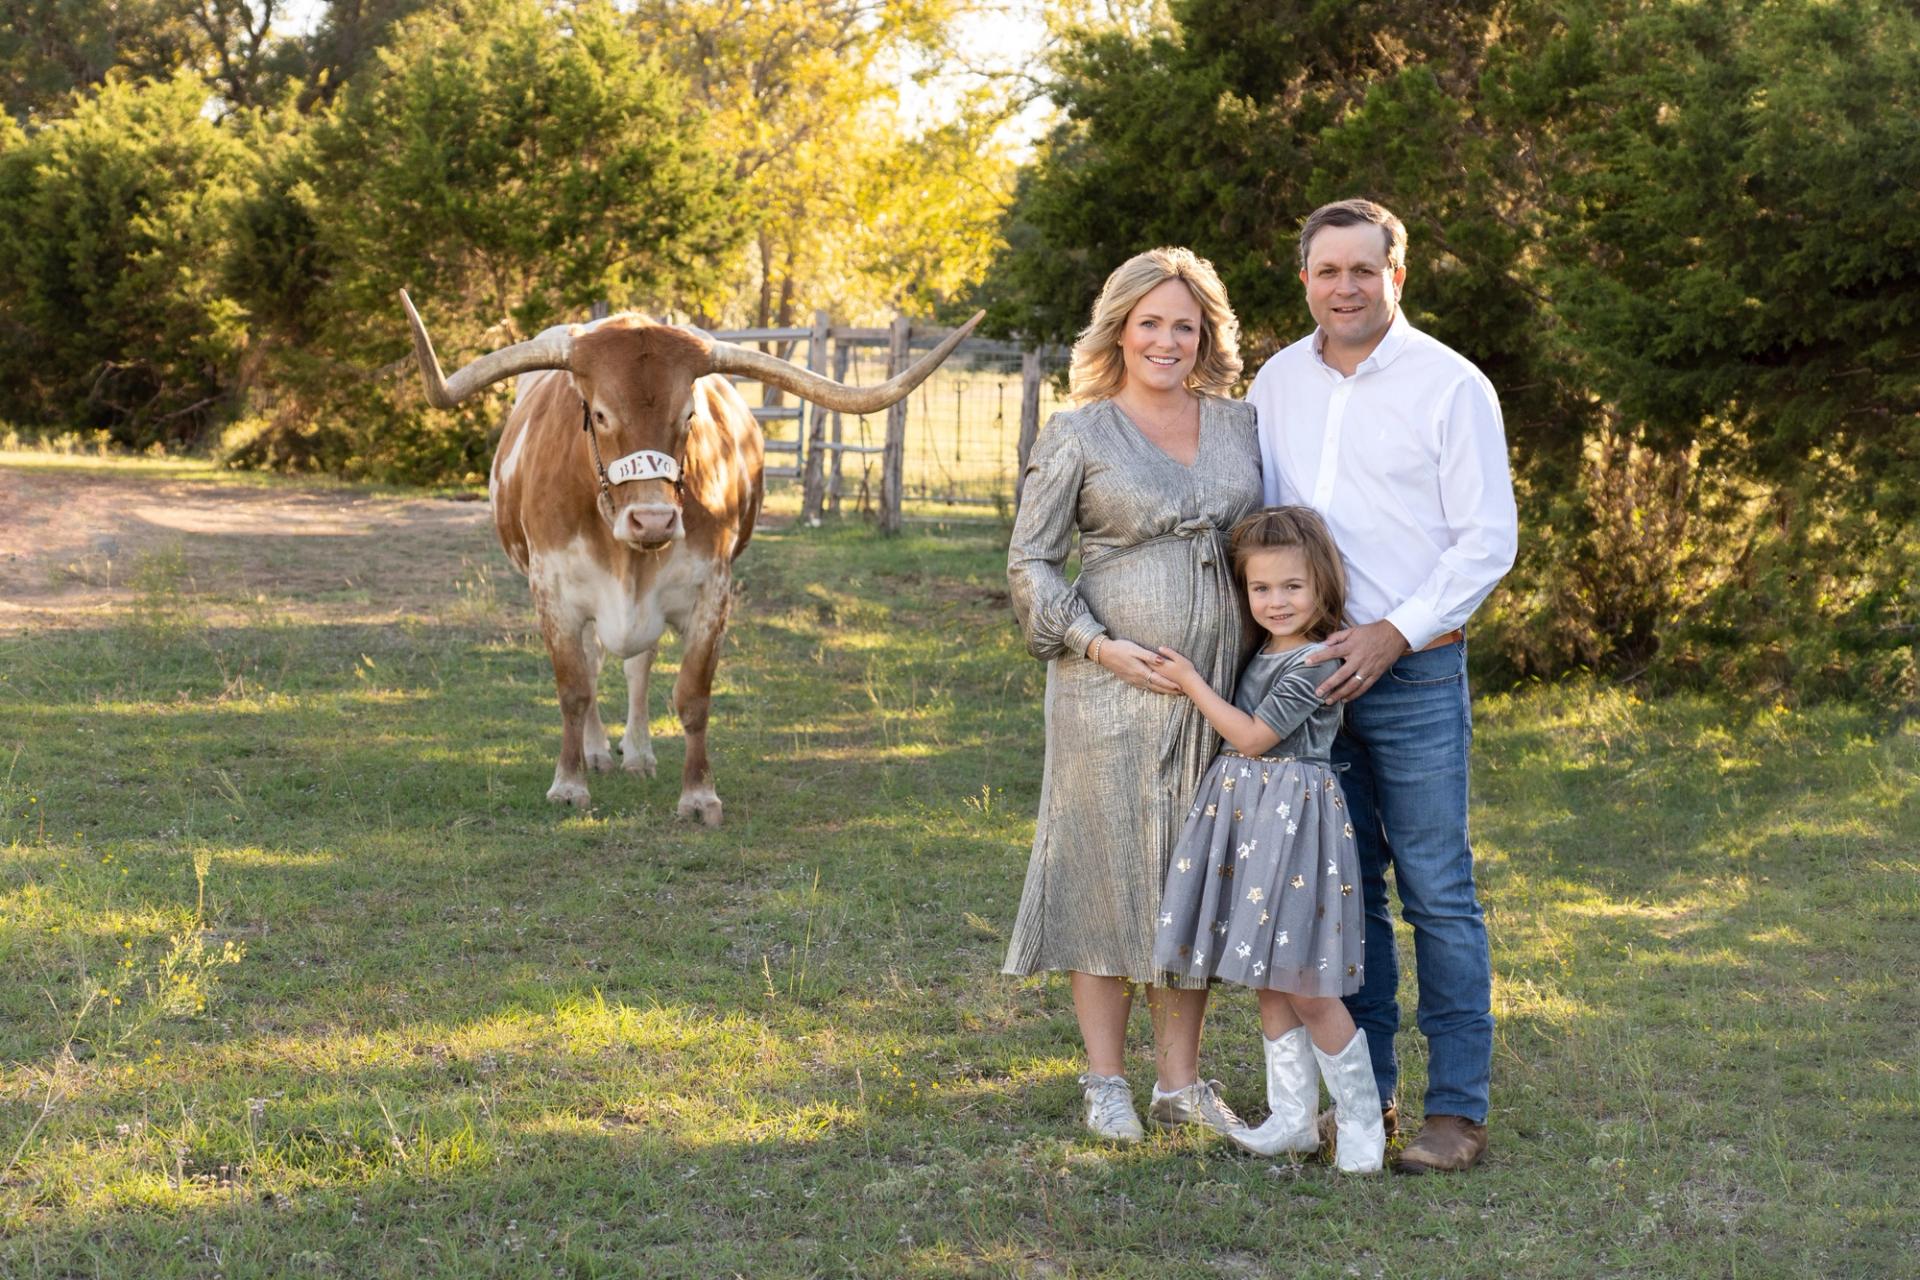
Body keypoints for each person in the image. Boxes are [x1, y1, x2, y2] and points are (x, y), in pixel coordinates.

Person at [1247, 198, 1518, 1173]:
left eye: (1365, 269)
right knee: (1343, 893)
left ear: (1397, 275)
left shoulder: (1451, 385)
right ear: (1306, 279)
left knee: (1438, 889)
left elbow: (1488, 540)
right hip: (1308, 679)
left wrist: (1391, 633)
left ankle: (1457, 1110)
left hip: (1414, 667)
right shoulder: (1277, 382)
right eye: (1329, 271)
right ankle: (1369, 1099)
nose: (1346, 287)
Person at [1004, 246, 1264, 1142]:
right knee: (1105, 868)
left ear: (1206, 336)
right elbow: (1030, 561)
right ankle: (1106, 1080)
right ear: (1119, 328)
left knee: (1194, 874)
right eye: (1149, 322)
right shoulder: (1077, 431)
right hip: (1105, 690)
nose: (1166, 340)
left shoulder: (1241, 426)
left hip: (1218, 692)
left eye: (1183, 325)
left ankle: (1180, 1084)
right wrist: (1097, 644)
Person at [1149, 506, 1387, 1174]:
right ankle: (1290, 1120)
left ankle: (1362, 1123)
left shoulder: (1317, 659)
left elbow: (1253, 737)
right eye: (1261, 589)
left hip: (1292, 820)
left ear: (1322, 588)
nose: (1276, 602)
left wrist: (1192, 682)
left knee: (1308, 983)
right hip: (1253, 817)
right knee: (1268, 975)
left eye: (1292, 587)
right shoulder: (1265, 650)